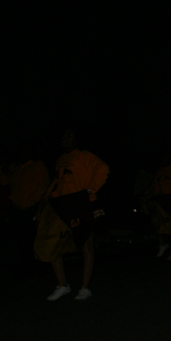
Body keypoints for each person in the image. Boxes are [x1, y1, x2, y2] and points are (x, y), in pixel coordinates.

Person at [37, 128, 109, 301]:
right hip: (62, 204)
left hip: (81, 203)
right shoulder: (60, 159)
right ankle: (63, 285)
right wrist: (46, 197)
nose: (65, 138)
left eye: (69, 136)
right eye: (64, 135)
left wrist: (91, 189)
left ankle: (85, 287)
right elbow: (57, 180)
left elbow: (103, 169)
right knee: (53, 243)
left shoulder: (85, 156)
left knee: (86, 245)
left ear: (77, 140)